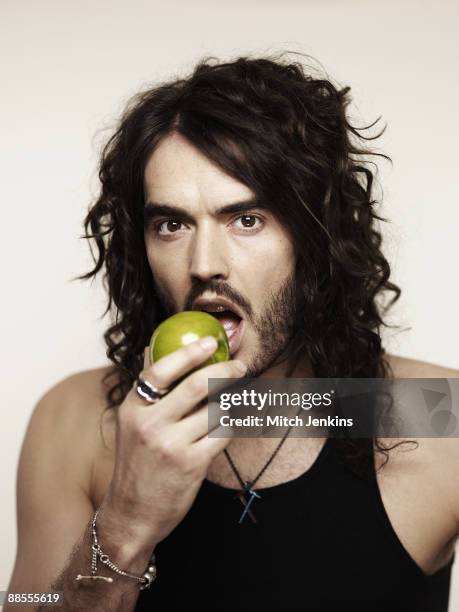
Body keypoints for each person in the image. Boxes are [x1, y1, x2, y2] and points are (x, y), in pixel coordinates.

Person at [5, 54, 459, 612]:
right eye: (171, 224)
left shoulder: (437, 412)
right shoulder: (78, 418)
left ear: (315, 238)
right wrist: (124, 526)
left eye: (247, 219)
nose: (204, 264)